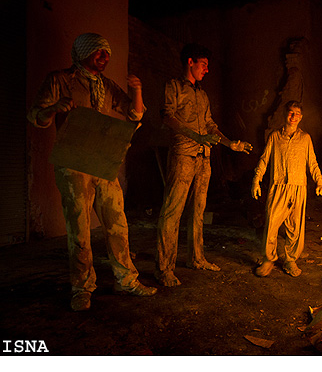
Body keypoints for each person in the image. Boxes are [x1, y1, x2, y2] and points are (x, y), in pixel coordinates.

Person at [27, 33, 157, 311]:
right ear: (83, 52)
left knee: (117, 224)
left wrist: (136, 91)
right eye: (99, 52)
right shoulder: (60, 80)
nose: (105, 58)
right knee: (80, 230)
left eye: (107, 54)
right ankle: (81, 287)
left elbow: (134, 115)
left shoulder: (107, 86)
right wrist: (54, 108)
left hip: (102, 162)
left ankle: (126, 280)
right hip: (73, 165)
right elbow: (35, 115)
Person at [155, 43, 253, 287]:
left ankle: (196, 258)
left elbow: (209, 125)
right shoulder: (174, 86)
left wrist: (230, 144)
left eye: (208, 66)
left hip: (204, 158)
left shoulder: (202, 94)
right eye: (203, 65)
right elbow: (167, 116)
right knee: (172, 212)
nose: (206, 70)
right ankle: (164, 268)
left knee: (198, 212)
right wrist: (196, 138)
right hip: (183, 156)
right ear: (190, 62)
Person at [252, 101, 322, 277]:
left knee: (295, 227)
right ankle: (269, 259)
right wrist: (256, 180)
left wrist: (320, 182)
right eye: (291, 113)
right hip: (278, 186)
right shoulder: (275, 137)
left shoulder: (305, 138)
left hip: (298, 186)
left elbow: (312, 162)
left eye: (297, 113)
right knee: (271, 223)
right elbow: (264, 160)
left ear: (301, 117)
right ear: (285, 114)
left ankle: (290, 260)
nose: (293, 117)